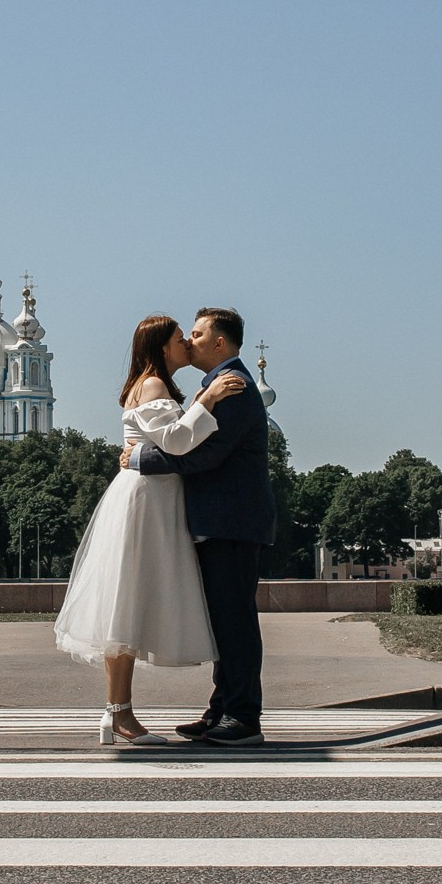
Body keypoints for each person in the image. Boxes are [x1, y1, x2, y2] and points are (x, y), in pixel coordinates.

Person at [54, 314, 248, 745]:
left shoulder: (156, 385)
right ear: (162, 347)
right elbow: (177, 442)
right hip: (146, 502)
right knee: (126, 605)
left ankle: (117, 713)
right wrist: (208, 398)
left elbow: (171, 439)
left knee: (129, 603)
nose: (187, 344)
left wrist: (199, 401)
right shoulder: (154, 384)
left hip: (154, 499)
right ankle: (118, 713)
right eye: (181, 338)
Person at [124, 307, 276, 746]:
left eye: (197, 334)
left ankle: (243, 717)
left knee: (235, 624)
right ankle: (221, 711)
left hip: (232, 523)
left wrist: (139, 457)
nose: (189, 341)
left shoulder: (234, 386)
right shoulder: (216, 384)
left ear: (219, 343)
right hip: (223, 521)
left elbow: (205, 455)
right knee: (225, 624)